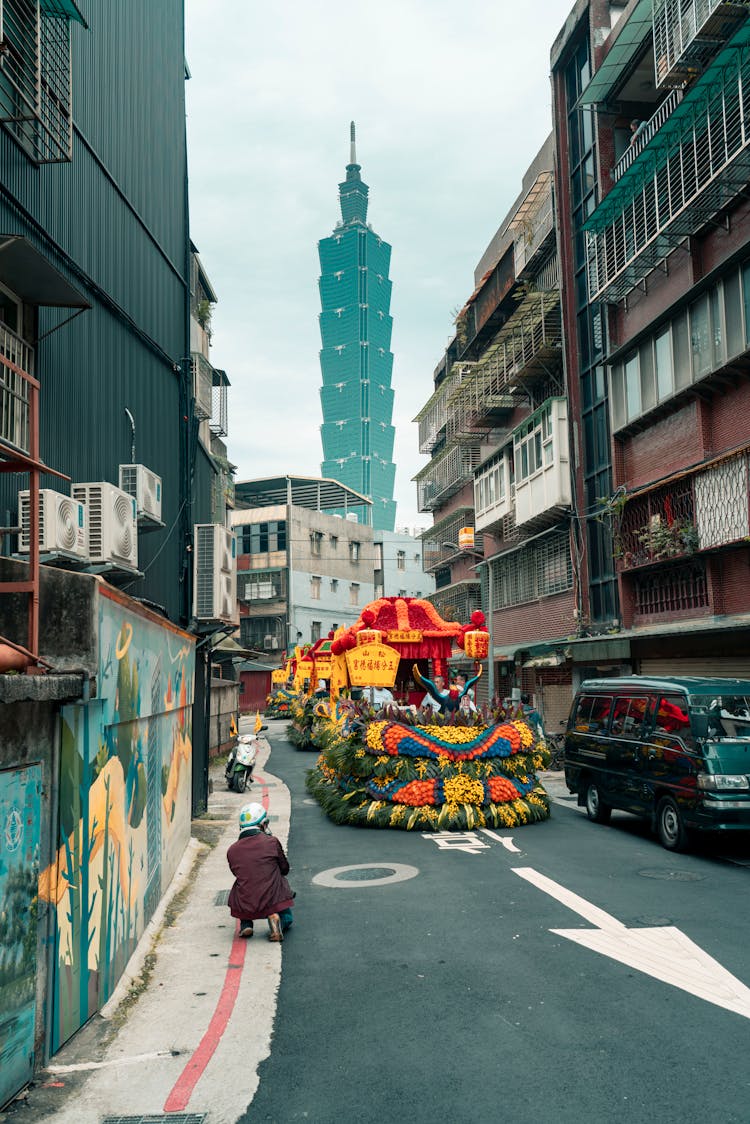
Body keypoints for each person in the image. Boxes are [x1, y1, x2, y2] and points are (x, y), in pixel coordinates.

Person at [227, 802, 294, 942]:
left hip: (246, 901)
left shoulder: (232, 850)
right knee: (279, 881)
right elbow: (284, 869)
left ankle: (246, 924)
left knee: (241, 883)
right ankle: (278, 921)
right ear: (263, 824)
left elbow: (236, 873)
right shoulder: (271, 842)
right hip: (272, 897)